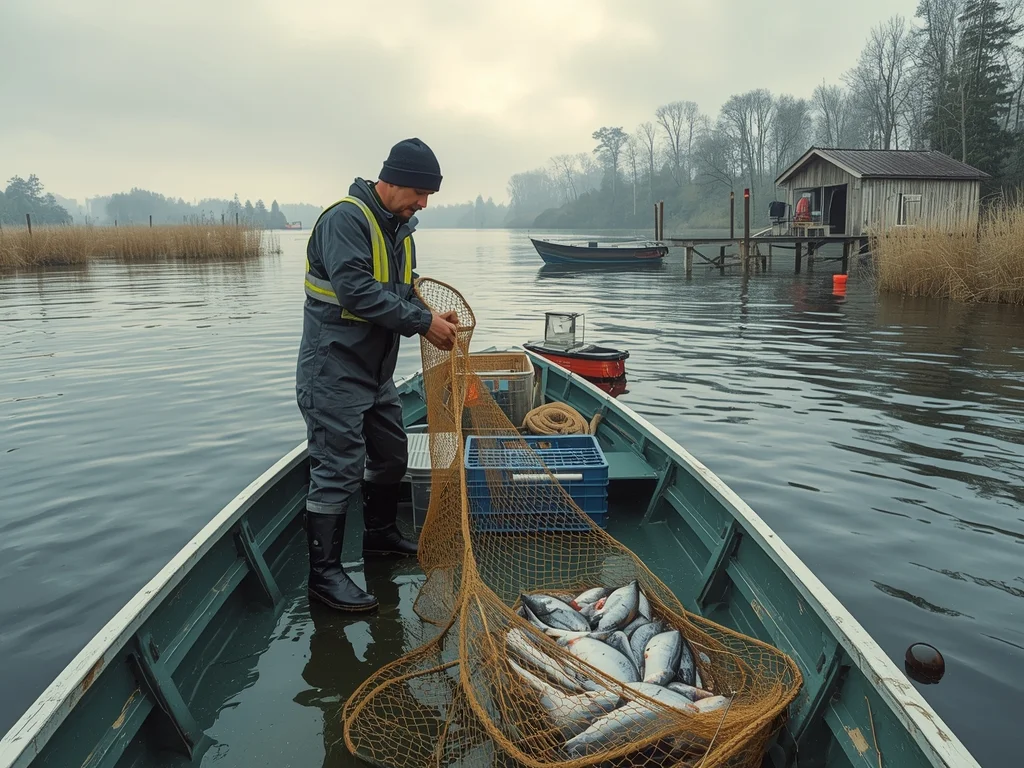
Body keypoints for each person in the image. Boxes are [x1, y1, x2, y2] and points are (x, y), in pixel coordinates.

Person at [295, 138, 458, 613]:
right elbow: (357, 293)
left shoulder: (400, 230)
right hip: (333, 372)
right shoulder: (345, 219)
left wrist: (430, 313)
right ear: (394, 181)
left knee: (390, 455)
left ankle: (380, 537)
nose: (423, 204)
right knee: (338, 468)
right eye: (420, 193)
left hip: (376, 374)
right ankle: (324, 576)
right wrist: (423, 323)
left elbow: (403, 291)